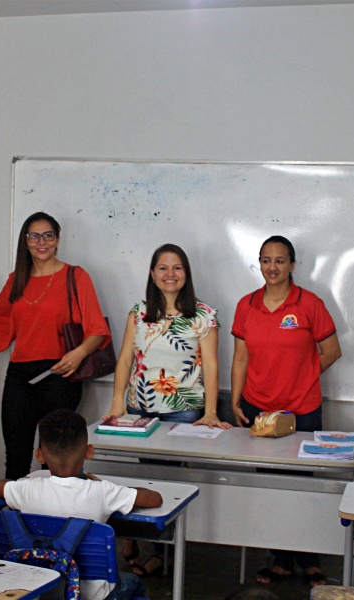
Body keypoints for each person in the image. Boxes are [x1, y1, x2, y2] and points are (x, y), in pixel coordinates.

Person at [102, 243, 230, 576]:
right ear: (152, 273)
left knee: (168, 482)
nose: (169, 274)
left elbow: (212, 365)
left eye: (177, 268)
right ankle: (141, 541)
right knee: (144, 478)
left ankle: (160, 552)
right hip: (139, 409)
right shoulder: (139, 312)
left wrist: (212, 411)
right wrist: (118, 402)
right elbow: (126, 359)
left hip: (184, 410)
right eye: (162, 267)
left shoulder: (203, 314)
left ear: (186, 274)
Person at [230, 235, 342, 587]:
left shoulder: (309, 304)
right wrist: (234, 400)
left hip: (302, 410)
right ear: (259, 264)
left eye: (280, 260)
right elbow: (241, 357)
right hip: (259, 408)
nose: (272, 267)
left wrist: (305, 376)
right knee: (271, 484)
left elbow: (332, 350)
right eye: (266, 260)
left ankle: (310, 561)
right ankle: (279, 558)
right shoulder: (246, 305)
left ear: (292, 265)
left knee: (304, 485)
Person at [0, 212, 111, 480]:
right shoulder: (16, 279)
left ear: (57, 240)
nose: (42, 241)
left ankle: (52, 520)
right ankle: (15, 519)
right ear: (25, 241)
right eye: (34, 236)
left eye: (48, 235)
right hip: (19, 376)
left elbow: (97, 330)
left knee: (56, 459)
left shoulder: (75, 276)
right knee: (15, 455)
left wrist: (78, 354)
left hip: (60, 374)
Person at [0, 408, 162, 600]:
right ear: (89, 452)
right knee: (134, 584)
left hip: (37, 587)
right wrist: (107, 485)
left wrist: (17, 484)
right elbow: (155, 499)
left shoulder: (25, 489)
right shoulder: (103, 491)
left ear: (40, 455)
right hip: (92, 593)